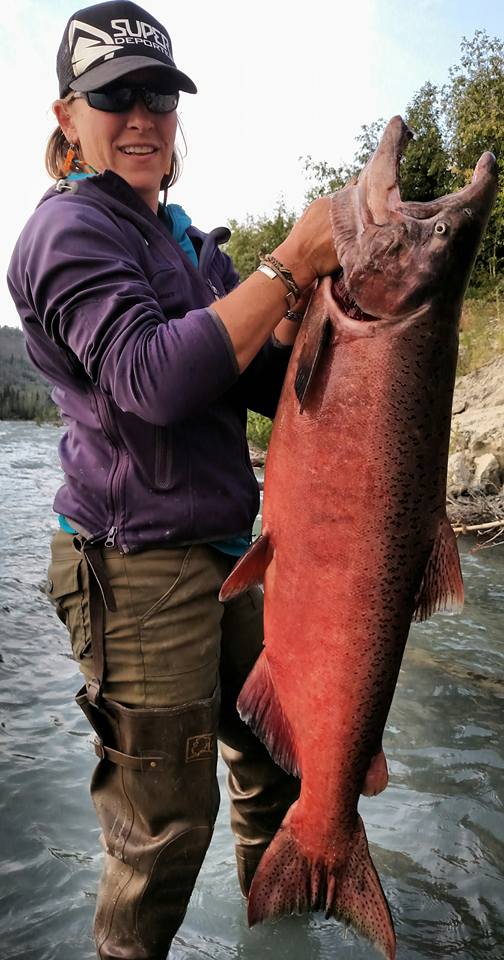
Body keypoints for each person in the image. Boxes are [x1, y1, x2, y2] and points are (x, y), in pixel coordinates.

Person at [7, 2, 340, 958]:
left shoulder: (195, 249)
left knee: (278, 773)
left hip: (231, 552)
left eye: (159, 94)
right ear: (68, 116)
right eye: (117, 98)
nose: (144, 116)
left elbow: (271, 388)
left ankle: (279, 942)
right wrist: (283, 270)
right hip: (135, 569)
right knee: (165, 833)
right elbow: (152, 379)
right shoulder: (65, 234)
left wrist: (327, 311)